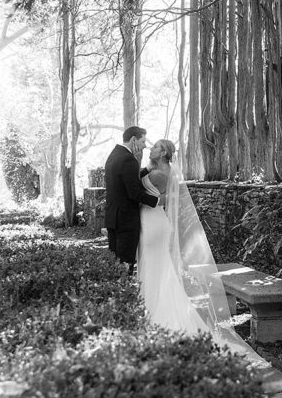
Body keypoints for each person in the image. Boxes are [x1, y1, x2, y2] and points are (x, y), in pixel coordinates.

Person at [136, 139, 260, 363]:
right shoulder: (163, 170)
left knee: (154, 269)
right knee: (159, 269)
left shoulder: (157, 175)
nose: (150, 149)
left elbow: (140, 194)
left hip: (152, 223)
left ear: (163, 152)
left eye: (155, 147)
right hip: (157, 222)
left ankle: (157, 316)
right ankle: (151, 313)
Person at [104, 126, 159, 274]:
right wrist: (158, 202)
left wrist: (147, 169)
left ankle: (115, 294)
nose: (145, 146)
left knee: (115, 263)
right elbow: (134, 193)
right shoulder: (129, 159)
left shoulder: (115, 154)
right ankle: (123, 295)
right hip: (126, 221)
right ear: (133, 139)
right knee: (125, 264)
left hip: (113, 218)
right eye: (142, 141)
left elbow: (127, 180)